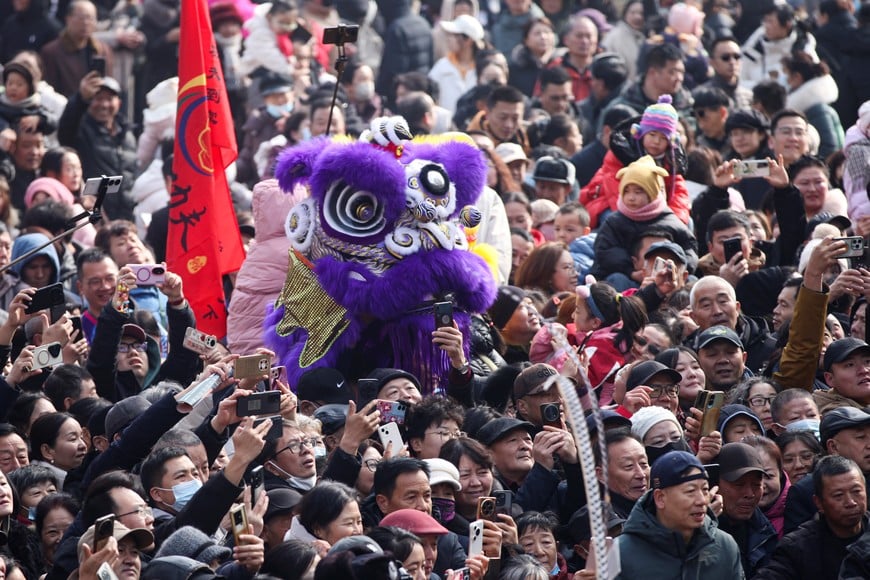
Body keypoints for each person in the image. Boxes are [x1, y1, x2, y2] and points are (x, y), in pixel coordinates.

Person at [614, 451, 742, 580]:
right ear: (660, 498)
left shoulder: (725, 546)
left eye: (704, 490)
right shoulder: (619, 554)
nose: (702, 500)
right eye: (690, 491)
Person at [591, 155, 697, 290]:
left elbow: (689, 248)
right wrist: (631, 271)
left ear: (652, 194)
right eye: (627, 191)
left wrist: (678, 270)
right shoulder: (615, 222)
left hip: (668, 280)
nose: (631, 198)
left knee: (692, 283)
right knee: (616, 280)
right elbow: (605, 251)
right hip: (628, 278)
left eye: (638, 192)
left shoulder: (670, 221)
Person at [755, 456, 867, 580]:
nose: (851, 502)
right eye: (838, 495)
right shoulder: (798, 548)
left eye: (856, 491)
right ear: (818, 502)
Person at [56, 73, 136, 221]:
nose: (104, 104)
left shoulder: (128, 135)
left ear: (119, 102)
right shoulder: (81, 131)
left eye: (109, 99)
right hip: (94, 216)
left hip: (125, 217)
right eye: (98, 98)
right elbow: (66, 128)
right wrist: (80, 99)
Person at [717, 442, 778, 576]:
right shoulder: (697, 535)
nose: (749, 494)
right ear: (715, 484)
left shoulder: (765, 533)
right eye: (739, 485)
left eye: (756, 485)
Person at [39, 0, 113, 99]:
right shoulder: (51, 52)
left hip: (96, 108)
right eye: (81, 18)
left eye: (90, 18)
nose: (85, 22)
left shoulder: (103, 50)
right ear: (68, 19)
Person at [781, 53, 845, 158]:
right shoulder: (811, 107)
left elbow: (829, 147)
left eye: (787, 75)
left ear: (797, 76)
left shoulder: (818, 110)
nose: (785, 80)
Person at [741, 3, 818, 88]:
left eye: (770, 21)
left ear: (787, 25)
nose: (765, 26)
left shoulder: (803, 47)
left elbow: (812, 82)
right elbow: (741, 78)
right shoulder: (754, 46)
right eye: (765, 21)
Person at [467, 85, 531, 153]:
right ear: (487, 113)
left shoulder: (524, 137)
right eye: (503, 117)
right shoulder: (470, 143)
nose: (509, 125)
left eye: (515, 118)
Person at [508, 17, 558, 98]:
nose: (543, 37)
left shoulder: (561, 63)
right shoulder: (515, 69)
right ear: (526, 40)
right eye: (537, 33)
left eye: (547, 32)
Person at [700, 36, 753, 109]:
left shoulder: (750, 97)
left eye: (736, 57)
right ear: (712, 62)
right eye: (725, 58)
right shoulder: (702, 95)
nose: (732, 62)